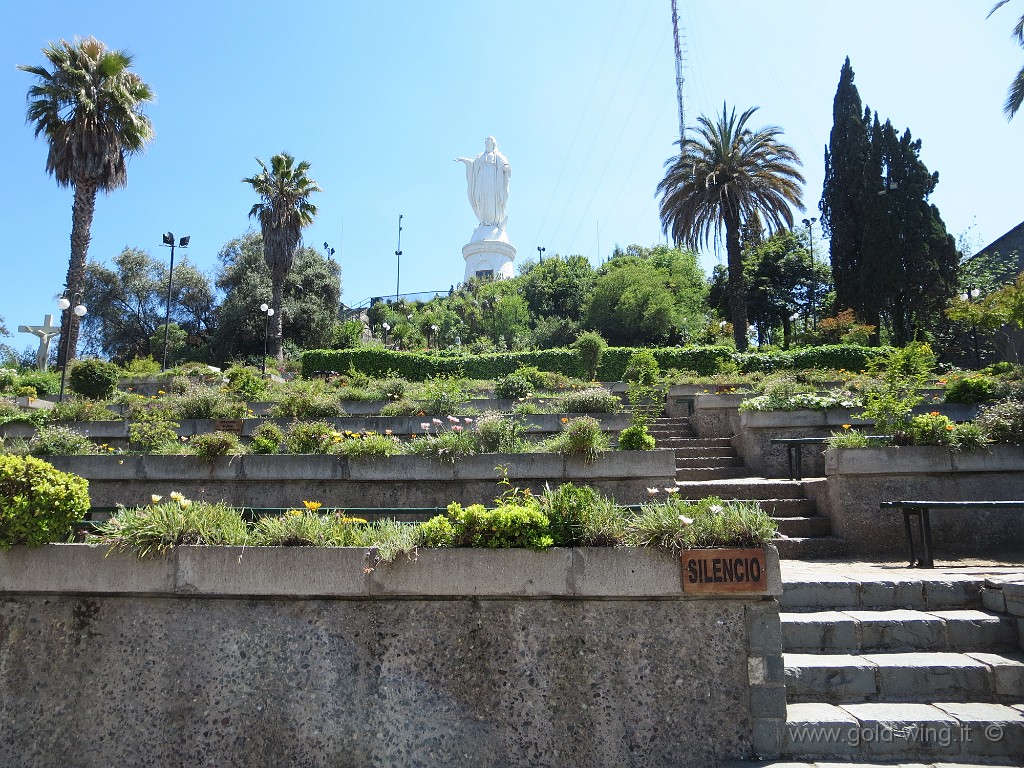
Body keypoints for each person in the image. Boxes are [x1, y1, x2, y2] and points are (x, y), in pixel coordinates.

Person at [455, 136, 511, 229]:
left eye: (489, 140)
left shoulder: (497, 155)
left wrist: (506, 167)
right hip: (481, 179)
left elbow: (504, 163)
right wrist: (465, 160)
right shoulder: (481, 156)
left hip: (493, 179)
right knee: (481, 198)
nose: (487, 141)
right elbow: (473, 165)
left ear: (493, 143)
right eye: (486, 140)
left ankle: (493, 221)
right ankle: (484, 221)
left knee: (491, 198)